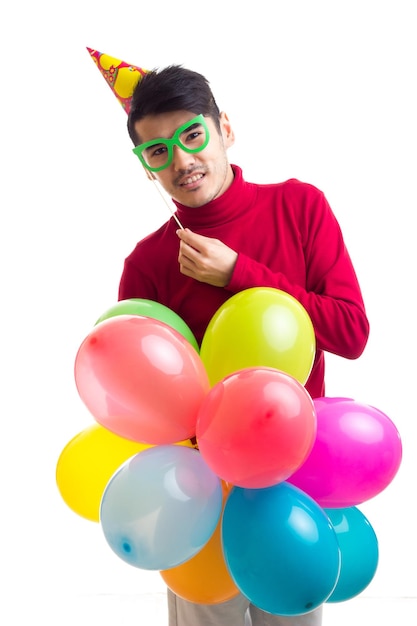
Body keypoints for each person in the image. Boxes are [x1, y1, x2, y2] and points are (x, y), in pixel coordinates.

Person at [118, 64, 370, 626]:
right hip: (198, 497)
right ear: (146, 167)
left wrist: (240, 273)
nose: (181, 161)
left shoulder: (300, 207)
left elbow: (351, 332)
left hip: (295, 481)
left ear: (224, 128)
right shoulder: (147, 263)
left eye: (191, 135)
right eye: (157, 151)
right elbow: (142, 397)